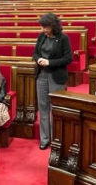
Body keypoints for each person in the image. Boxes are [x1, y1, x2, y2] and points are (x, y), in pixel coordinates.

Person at [33, 13, 72, 150]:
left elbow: (68, 59)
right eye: (42, 27)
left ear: (53, 26)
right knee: (43, 107)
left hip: (56, 76)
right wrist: (38, 60)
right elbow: (35, 53)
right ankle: (45, 138)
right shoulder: (42, 36)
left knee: (56, 108)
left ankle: (57, 138)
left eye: (45, 27)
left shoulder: (63, 38)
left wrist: (50, 62)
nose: (43, 29)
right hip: (41, 75)